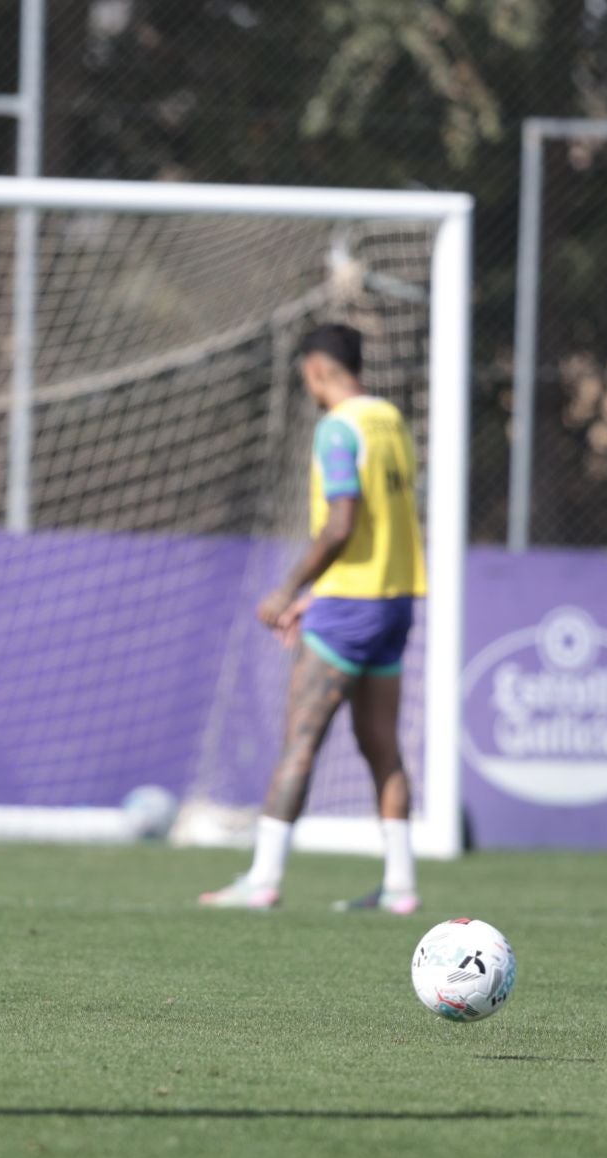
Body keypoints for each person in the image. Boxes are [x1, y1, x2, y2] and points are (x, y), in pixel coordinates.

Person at [199, 323, 426, 914]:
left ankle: (263, 879)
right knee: (382, 745)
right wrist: (318, 595)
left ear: (318, 370)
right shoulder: (391, 420)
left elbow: (342, 523)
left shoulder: (337, 428)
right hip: (395, 600)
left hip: (349, 604)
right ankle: (401, 886)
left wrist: (289, 590)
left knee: (300, 740)